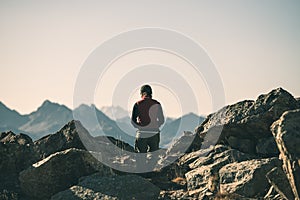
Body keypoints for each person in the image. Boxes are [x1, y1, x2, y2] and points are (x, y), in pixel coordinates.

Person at [131, 84, 165, 154]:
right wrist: (155, 125)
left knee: (141, 156)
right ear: (151, 93)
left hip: (142, 133)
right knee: (154, 156)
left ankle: (142, 165)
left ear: (142, 93)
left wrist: (140, 126)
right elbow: (161, 120)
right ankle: (151, 165)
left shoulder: (137, 104)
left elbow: (133, 121)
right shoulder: (157, 104)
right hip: (154, 133)